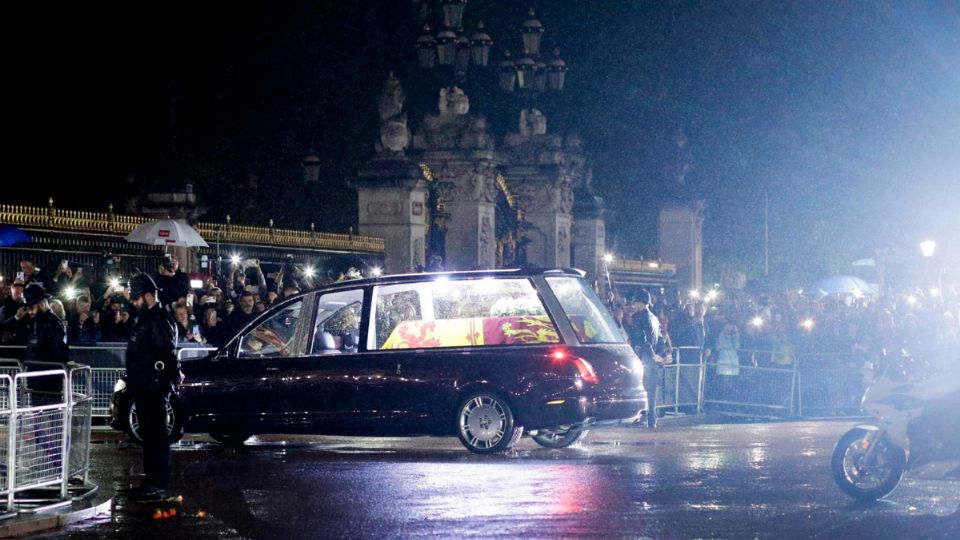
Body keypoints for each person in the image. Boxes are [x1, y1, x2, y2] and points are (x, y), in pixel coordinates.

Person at [124, 274, 179, 501]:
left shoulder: (157, 319)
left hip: (152, 388)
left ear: (147, 295)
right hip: (145, 385)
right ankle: (151, 481)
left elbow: (163, 356)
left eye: (137, 298)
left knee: (155, 435)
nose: (134, 303)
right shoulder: (148, 317)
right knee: (149, 435)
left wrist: (153, 383)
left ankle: (157, 483)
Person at [19, 283, 70, 404]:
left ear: (41, 304)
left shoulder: (52, 323)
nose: (30, 312)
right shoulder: (38, 321)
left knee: (52, 419)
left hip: (49, 382)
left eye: (32, 308)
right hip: (39, 380)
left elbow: (59, 350)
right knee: (40, 417)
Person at [626, 289, 662, 428]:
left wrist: (647, 352)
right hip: (652, 359)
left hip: (643, 357)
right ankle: (652, 419)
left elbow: (643, 339)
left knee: (639, 388)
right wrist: (661, 354)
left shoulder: (641, 317)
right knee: (651, 391)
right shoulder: (654, 317)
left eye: (635, 302)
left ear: (640, 302)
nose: (634, 305)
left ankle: (641, 418)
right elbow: (660, 338)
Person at [0, 276, 31, 345]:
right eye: (17, 293)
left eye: (21, 293)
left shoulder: (28, 305)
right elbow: (2, 326)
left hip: (25, 343)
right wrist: (16, 317)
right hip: (10, 345)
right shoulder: (5, 307)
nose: (19, 295)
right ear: (11, 290)